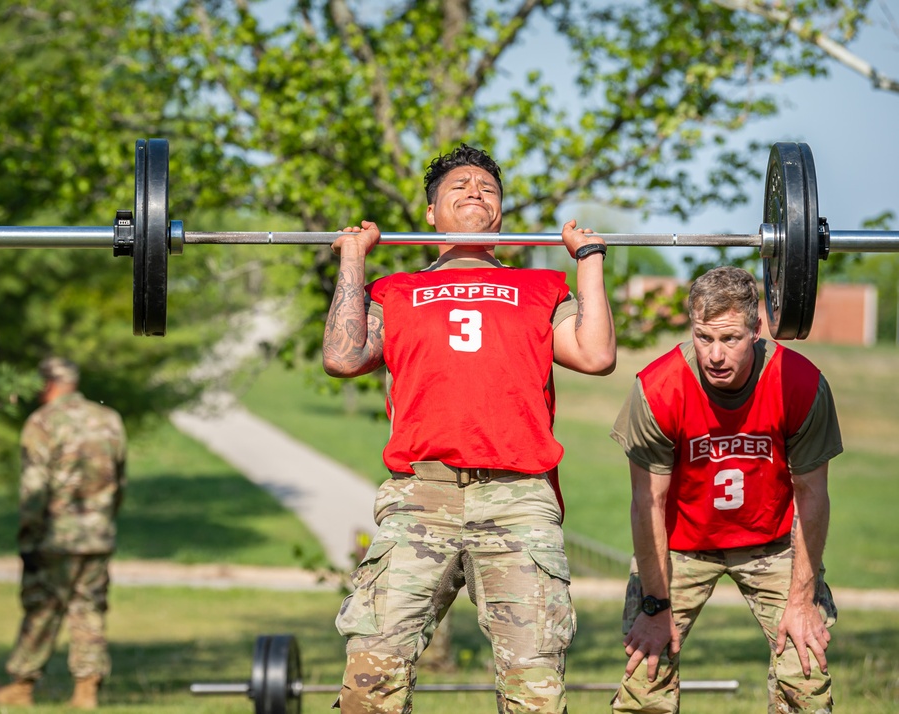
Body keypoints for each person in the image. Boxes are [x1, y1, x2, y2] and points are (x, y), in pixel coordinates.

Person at [322, 143, 617, 714]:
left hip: (519, 498)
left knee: (535, 692)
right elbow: (342, 355)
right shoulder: (394, 289)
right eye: (458, 186)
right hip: (419, 497)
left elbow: (596, 352)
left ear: (501, 214)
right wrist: (354, 259)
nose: (475, 192)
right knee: (369, 684)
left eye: (487, 187)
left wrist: (591, 260)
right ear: (430, 212)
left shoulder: (541, 288)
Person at [609, 266, 842, 713]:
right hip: (678, 546)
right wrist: (655, 607)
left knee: (806, 670)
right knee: (646, 675)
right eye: (703, 338)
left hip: (771, 542)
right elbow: (648, 503)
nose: (715, 354)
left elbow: (813, 496)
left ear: (756, 330)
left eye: (730, 339)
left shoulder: (799, 383)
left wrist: (801, 601)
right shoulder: (657, 389)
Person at [0, 357, 127, 709]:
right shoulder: (109, 418)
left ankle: (22, 686)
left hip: (54, 536)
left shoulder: (42, 422)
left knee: (42, 608)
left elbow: (34, 489)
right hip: (97, 535)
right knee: (89, 609)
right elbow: (120, 479)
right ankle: (87, 689)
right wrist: (104, 519)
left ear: (46, 384)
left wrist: (28, 535)